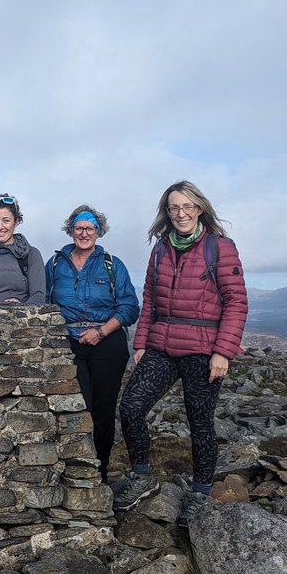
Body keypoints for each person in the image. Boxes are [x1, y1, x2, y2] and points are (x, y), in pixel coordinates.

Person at [112, 181, 248, 527]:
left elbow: (236, 302)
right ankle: (142, 475)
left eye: (187, 206)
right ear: (167, 212)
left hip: (204, 349)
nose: (181, 213)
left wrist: (224, 352)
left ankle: (201, 493)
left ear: (199, 208)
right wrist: (140, 343)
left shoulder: (220, 248)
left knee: (200, 421)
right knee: (130, 406)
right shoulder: (160, 249)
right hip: (162, 343)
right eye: (174, 207)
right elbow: (151, 300)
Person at [44, 205, 140, 483]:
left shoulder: (112, 264)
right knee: (76, 405)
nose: (84, 233)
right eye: (78, 228)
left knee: (103, 408)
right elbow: (43, 301)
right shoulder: (55, 264)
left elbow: (129, 307)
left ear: (99, 232)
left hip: (107, 343)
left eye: (90, 228)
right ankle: (74, 464)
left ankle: (101, 467)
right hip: (69, 344)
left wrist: (100, 331)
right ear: (70, 230)